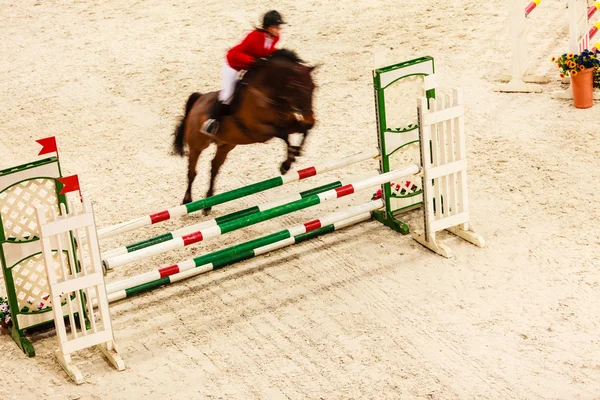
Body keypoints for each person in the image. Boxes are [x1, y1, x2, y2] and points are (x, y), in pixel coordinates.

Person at [201, 10, 286, 136]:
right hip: (233, 64)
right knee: (227, 94)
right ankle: (211, 122)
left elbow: (268, 51)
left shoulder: (275, 38)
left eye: (279, 27)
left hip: (248, 66)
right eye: (276, 27)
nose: (278, 29)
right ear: (268, 27)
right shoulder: (254, 37)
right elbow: (236, 54)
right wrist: (253, 61)